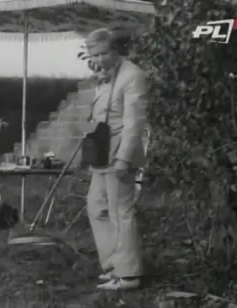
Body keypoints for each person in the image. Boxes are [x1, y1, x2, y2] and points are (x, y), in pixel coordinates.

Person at [84, 28, 148, 291]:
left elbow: (135, 123)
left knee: (121, 212)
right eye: (94, 55)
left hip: (120, 154)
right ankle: (113, 264)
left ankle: (129, 275)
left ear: (115, 50)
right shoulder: (106, 76)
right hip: (102, 153)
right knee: (96, 207)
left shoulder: (132, 75)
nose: (98, 59)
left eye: (103, 53)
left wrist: (123, 159)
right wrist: (101, 77)